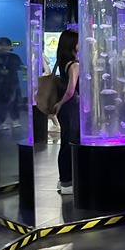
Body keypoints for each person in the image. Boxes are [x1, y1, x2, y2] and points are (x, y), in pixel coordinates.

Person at [50, 29, 80, 195]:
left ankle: (64, 179)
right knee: (70, 143)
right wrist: (60, 104)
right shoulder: (74, 65)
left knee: (66, 142)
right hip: (71, 107)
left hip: (66, 109)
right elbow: (70, 91)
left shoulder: (64, 62)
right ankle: (67, 181)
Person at [0, 37, 24, 128]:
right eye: (1, 45)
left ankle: (15, 119)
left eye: (7, 45)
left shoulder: (14, 57)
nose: (4, 48)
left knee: (15, 102)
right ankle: (1, 121)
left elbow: (21, 67)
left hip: (12, 83)